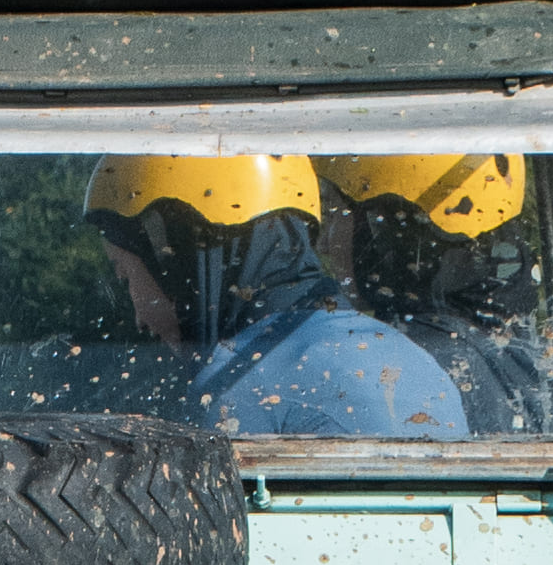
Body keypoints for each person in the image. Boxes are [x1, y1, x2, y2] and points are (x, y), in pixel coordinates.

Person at [81, 153, 467, 442]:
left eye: (124, 276)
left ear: (174, 261)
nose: (138, 318)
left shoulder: (239, 384)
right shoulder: (413, 357)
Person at [320, 151, 553, 432]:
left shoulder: (393, 369)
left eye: (334, 213)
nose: (324, 244)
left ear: (382, 226)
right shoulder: (522, 349)